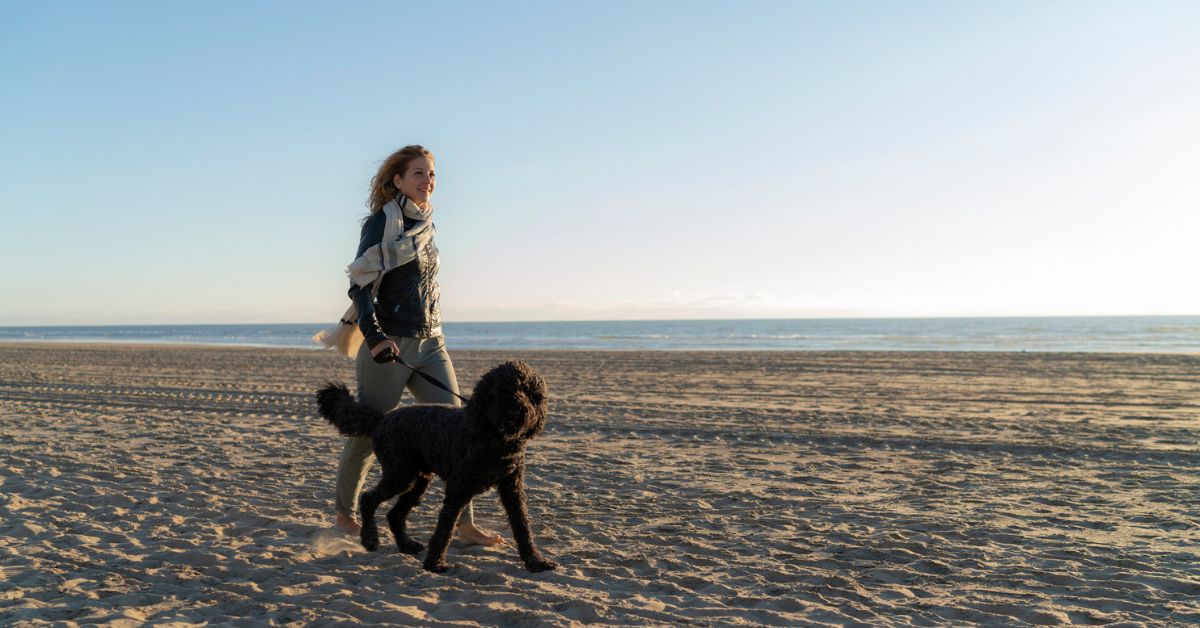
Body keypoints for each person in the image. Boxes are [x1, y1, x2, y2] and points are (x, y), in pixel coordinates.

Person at [333, 145, 504, 547]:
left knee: (463, 429)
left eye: (431, 175)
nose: (428, 181)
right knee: (368, 433)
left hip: (432, 341)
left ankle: (464, 526)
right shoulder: (381, 223)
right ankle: (345, 515)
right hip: (390, 343)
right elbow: (359, 283)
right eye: (419, 174)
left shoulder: (427, 224)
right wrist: (374, 338)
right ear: (398, 180)